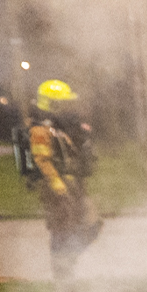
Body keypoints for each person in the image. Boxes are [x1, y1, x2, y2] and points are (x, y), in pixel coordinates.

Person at [24, 79, 103, 281]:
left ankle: (68, 263)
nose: (69, 107)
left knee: (90, 224)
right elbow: (42, 160)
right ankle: (62, 275)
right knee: (61, 231)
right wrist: (59, 187)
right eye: (64, 103)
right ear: (52, 104)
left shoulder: (60, 127)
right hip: (55, 189)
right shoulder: (40, 130)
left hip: (71, 185)